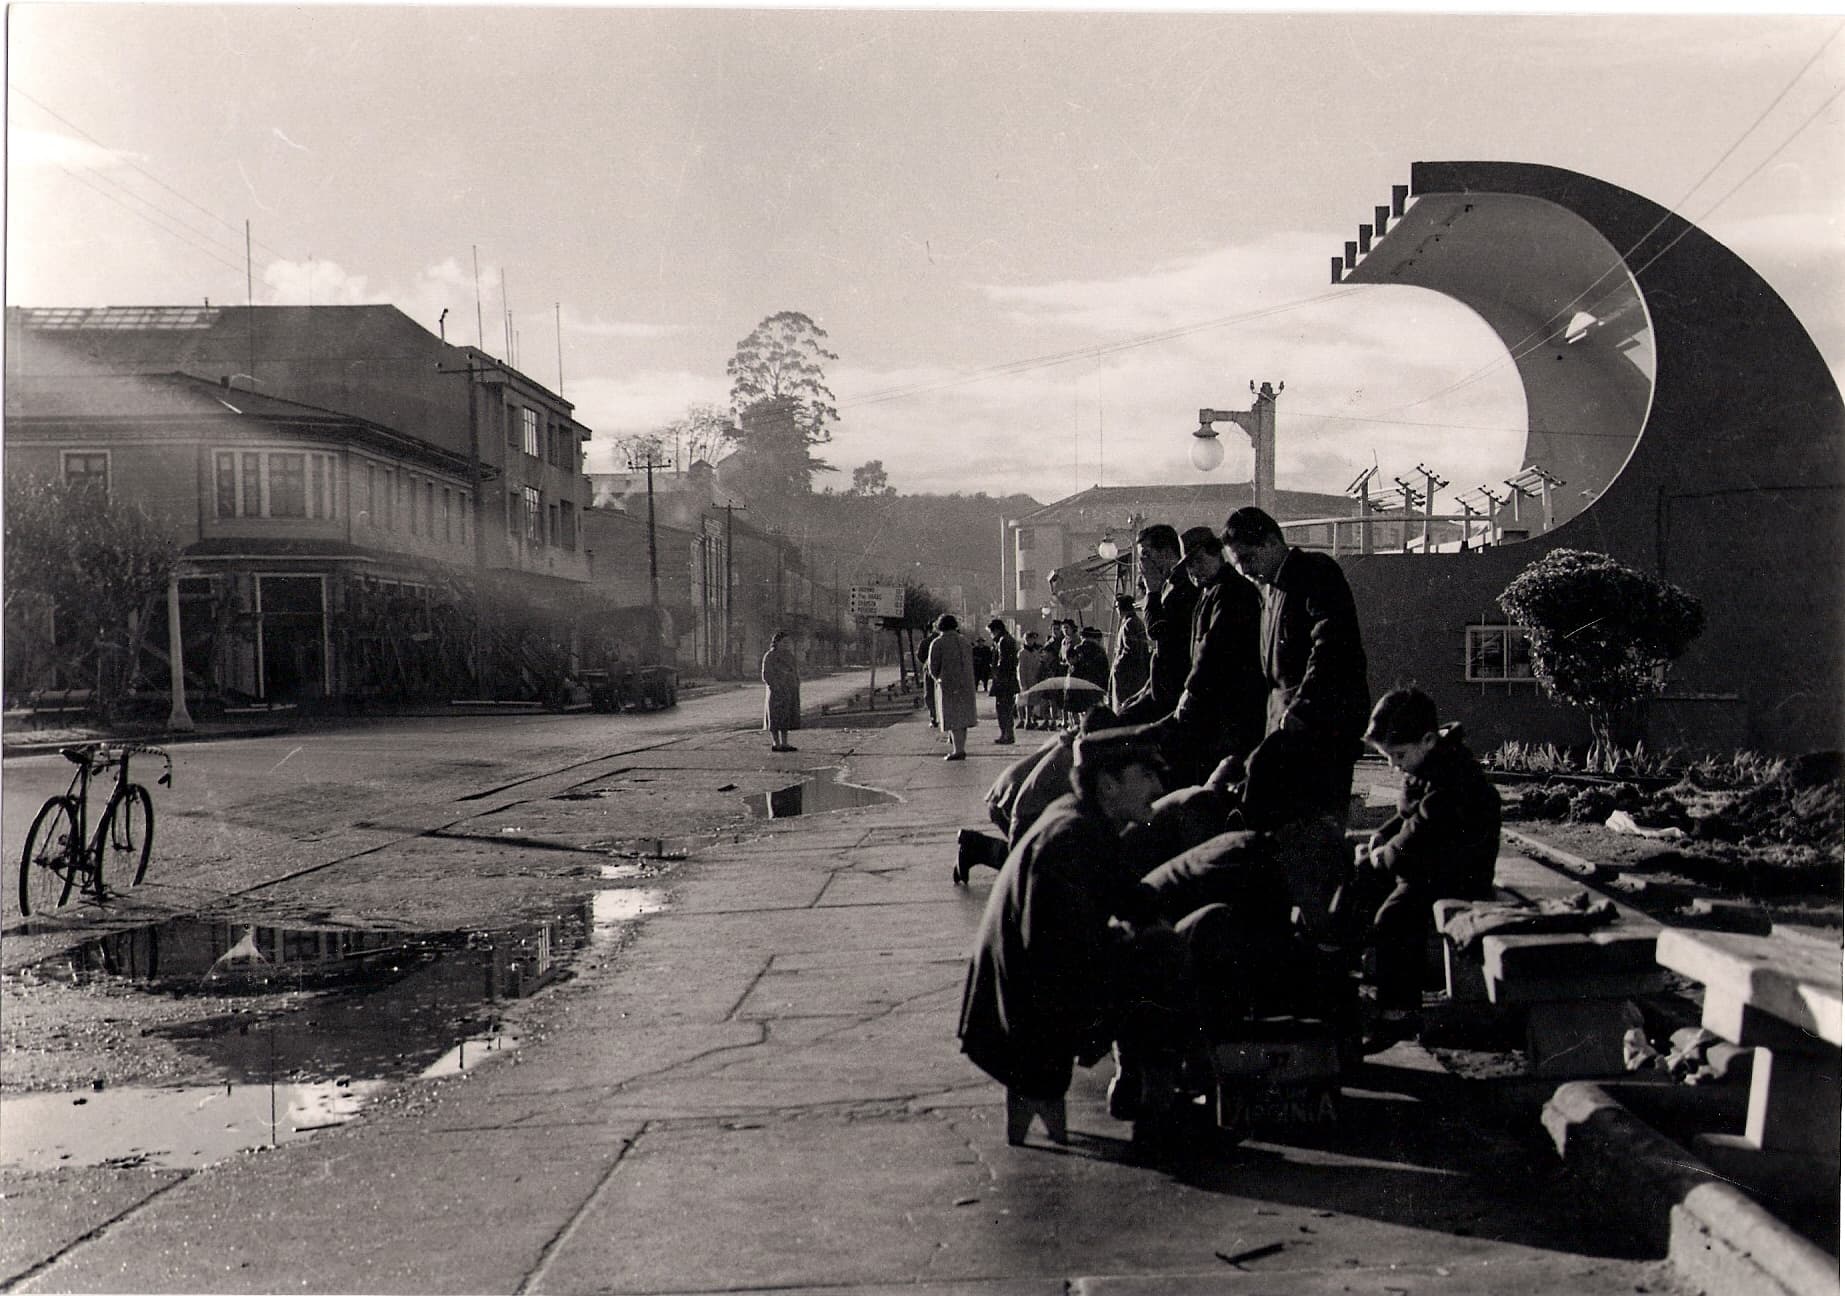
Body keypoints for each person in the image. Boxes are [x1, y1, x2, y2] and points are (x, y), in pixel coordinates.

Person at [957, 724, 1174, 1142]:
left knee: (1147, 942)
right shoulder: (1078, 837)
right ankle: (1157, 1110)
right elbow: (1059, 964)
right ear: (1109, 785)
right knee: (1161, 953)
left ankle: (1140, 1092)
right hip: (1025, 1021)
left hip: (1006, 1013)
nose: (1158, 786)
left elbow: (1126, 896)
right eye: (1146, 775)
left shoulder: (1076, 818)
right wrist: (1042, 1077)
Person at [1340, 688, 1502, 1047]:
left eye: (1398, 756)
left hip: (1459, 873)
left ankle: (1399, 1013)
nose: (1394, 765)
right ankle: (1351, 977)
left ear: (1428, 740)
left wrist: (1384, 855)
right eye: (1387, 758)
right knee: (1358, 883)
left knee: (1394, 917)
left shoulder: (1454, 778)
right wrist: (1379, 838)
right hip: (1429, 863)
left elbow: (1420, 835)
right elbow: (1405, 819)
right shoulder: (1427, 765)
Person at [1223, 506, 1371, 823]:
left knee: (1313, 833)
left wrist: (1304, 707)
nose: (1245, 571)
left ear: (1272, 543)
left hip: (1320, 726)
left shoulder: (1314, 572)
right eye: (1237, 565)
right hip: (1287, 726)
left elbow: (1332, 644)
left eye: (1247, 559)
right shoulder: (1270, 591)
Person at [1153, 527, 1267, 788]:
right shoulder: (1211, 591)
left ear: (1216, 553)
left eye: (1198, 561)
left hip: (1231, 712)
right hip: (1217, 710)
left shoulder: (1231, 592)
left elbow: (1213, 648)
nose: (1193, 571)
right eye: (1189, 565)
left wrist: (1190, 693)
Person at [1117, 525, 1197, 725]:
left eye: (1146, 554)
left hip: (1174, 695)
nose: (1142, 563)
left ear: (1167, 552)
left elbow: (1156, 631)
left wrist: (1152, 591)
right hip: (1159, 689)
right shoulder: (1169, 585)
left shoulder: (1182, 587)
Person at [926, 613, 978, 761]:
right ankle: (961, 747)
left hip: (948, 685)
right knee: (964, 717)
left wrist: (938, 679)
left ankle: (958, 750)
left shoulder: (938, 643)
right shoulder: (964, 641)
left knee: (953, 717)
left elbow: (933, 667)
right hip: (967, 685)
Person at [760, 630, 801, 752]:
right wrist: (775, 686)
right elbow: (766, 674)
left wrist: (795, 683)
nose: (786, 645)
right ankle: (775, 743)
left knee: (786, 717)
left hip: (789, 691)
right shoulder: (770, 656)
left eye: (788, 642)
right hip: (776, 692)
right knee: (775, 717)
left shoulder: (789, 656)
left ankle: (785, 743)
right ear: (776, 642)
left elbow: (794, 672)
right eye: (784, 642)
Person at [1109, 592, 1150, 712]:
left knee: (1124, 707)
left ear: (1121, 608)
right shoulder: (1135, 622)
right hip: (1136, 674)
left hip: (1128, 676)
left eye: (1117, 607)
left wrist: (1117, 665)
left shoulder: (1129, 624)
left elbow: (1129, 651)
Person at [987, 618, 1020, 745]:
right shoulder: (1008, 639)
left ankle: (1006, 734)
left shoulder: (1002, 641)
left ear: (996, 630)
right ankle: (1007, 733)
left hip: (1003, 680)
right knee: (1007, 707)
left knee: (1002, 708)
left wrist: (997, 675)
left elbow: (1003, 662)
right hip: (1009, 679)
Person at [1016, 632, 1045, 729]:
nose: (1030, 641)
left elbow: (1038, 665)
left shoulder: (1035, 652)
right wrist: (1022, 682)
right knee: (1022, 701)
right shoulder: (1022, 653)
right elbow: (1020, 669)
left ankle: (1029, 719)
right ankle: (1021, 719)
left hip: (1034, 679)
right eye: (1028, 639)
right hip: (1025, 679)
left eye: (1032, 639)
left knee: (1031, 701)